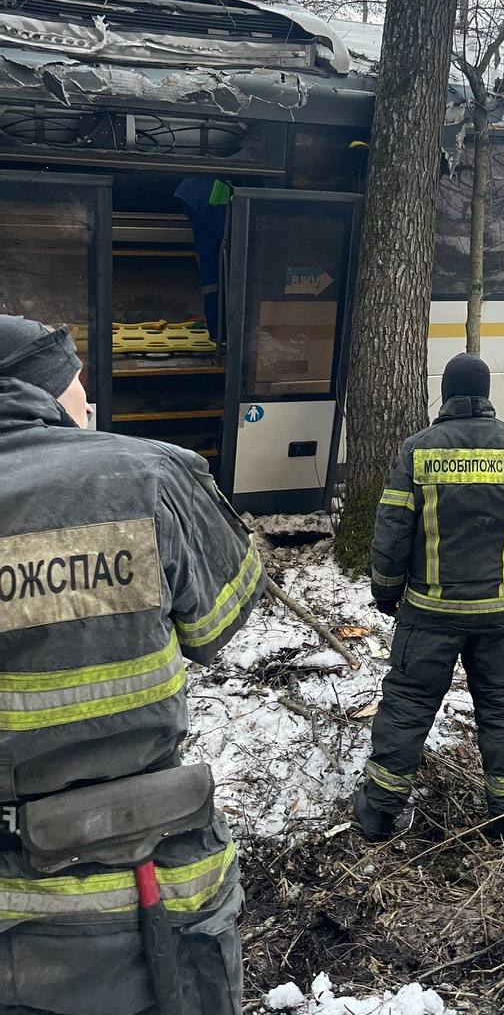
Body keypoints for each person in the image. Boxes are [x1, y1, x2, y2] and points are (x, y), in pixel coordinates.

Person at [0, 315, 270, 1015]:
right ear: (47, 392)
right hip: (143, 889)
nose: (89, 403)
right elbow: (217, 625)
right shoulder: (147, 473)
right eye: (79, 385)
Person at [354, 352, 504, 842]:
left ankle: (379, 811)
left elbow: (392, 527)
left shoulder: (418, 451)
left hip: (429, 613)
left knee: (408, 703)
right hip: (501, 613)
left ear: (446, 393)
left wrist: (386, 589)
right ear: (486, 394)